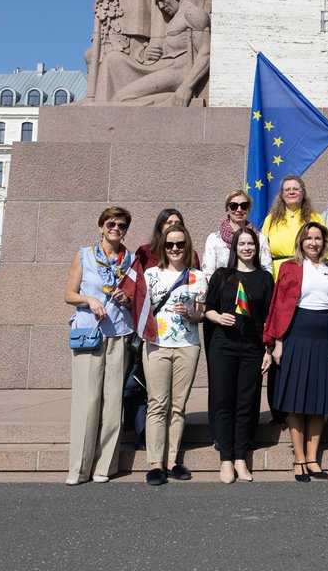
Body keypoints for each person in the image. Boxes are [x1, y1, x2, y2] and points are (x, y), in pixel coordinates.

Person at [263, 221, 328, 481]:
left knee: (318, 402)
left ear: (324, 242)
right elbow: (278, 306)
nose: (313, 242)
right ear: (301, 241)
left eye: (318, 238)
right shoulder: (290, 268)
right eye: (308, 238)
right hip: (296, 336)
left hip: (325, 339)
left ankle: (313, 459)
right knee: (296, 401)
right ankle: (298, 459)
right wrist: (277, 343)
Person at [64, 207, 136, 486]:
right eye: (111, 223)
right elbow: (68, 294)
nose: (115, 228)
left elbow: (135, 299)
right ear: (100, 226)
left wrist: (127, 300)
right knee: (87, 400)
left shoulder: (130, 259)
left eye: (121, 225)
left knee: (113, 401)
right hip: (88, 332)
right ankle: (79, 468)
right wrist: (90, 301)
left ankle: (106, 464)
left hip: (119, 332)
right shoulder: (84, 255)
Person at [205, 227, 274, 483]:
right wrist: (217, 316)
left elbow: (270, 318)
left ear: (257, 248)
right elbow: (207, 309)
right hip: (223, 346)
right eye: (242, 243)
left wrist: (268, 349)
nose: (246, 248)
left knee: (246, 402)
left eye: (251, 244)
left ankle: (240, 458)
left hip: (252, 348)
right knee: (224, 400)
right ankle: (225, 458)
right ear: (234, 248)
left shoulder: (265, 279)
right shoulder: (222, 276)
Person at [140, 223, 206, 486]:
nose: (175, 249)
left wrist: (190, 313)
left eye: (180, 244)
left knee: (178, 406)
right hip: (156, 345)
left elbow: (201, 314)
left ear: (186, 245)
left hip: (187, 345)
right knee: (157, 403)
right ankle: (155, 463)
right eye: (170, 245)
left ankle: (172, 461)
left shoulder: (197, 277)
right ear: (163, 248)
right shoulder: (150, 275)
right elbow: (140, 309)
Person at [262, 175, 324, 278]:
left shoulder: (316, 218)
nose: (291, 192)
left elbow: (325, 250)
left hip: (307, 273)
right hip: (277, 275)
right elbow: (263, 250)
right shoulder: (271, 219)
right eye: (287, 190)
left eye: (296, 189)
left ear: (303, 193)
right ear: (282, 194)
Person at [203, 191, 272, 273]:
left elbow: (267, 270)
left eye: (244, 206)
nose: (239, 210)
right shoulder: (214, 239)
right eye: (233, 206)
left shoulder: (260, 238)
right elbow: (208, 272)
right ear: (227, 210)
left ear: (248, 209)